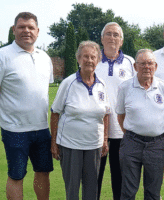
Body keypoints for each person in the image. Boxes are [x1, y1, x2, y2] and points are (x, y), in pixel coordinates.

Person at [0, 12, 53, 200]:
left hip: (42, 128)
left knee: (43, 172)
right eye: (21, 27)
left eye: (30, 27)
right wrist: (3, 111)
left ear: (38, 31)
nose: (26, 31)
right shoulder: (1, 56)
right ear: (14, 30)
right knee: (16, 175)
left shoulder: (45, 57)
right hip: (15, 130)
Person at [50, 41, 110, 200]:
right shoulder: (68, 83)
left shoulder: (102, 84)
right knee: (72, 189)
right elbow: (55, 112)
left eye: (93, 57)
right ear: (78, 59)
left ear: (98, 60)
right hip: (70, 145)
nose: (89, 60)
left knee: (91, 190)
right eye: (85, 56)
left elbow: (106, 114)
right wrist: (54, 142)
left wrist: (104, 140)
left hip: (94, 145)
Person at [116, 49, 164, 200]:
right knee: (128, 191)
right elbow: (120, 115)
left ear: (156, 66)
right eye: (142, 63)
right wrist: (131, 134)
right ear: (135, 66)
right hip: (131, 143)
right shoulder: (125, 87)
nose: (147, 67)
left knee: (153, 192)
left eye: (150, 63)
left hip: (156, 145)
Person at [95, 22, 135, 200]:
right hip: (95, 130)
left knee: (119, 179)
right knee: (94, 177)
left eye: (116, 35)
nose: (112, 38)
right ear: (102, 39)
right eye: (108, 34)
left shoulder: (130, 63)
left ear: (122, 40)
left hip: (121, 131)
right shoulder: (92, 59)